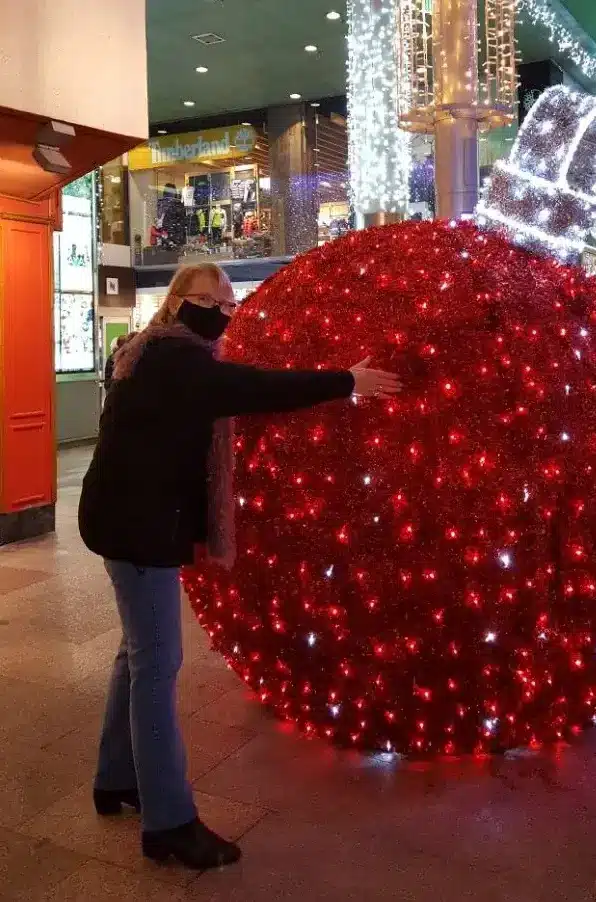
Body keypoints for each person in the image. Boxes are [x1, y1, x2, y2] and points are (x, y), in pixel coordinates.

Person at [79, 262, 402, 870]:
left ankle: (117, 778)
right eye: (212, 303)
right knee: (156, 666)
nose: (223, 315)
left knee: (134, 654)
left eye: (230, 306)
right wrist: (345, 380)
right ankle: (168, 823)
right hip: (138, 526)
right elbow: (254, 389)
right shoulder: (177, 360)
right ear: (178, 303)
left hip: (122, 517)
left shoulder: (145, 352)